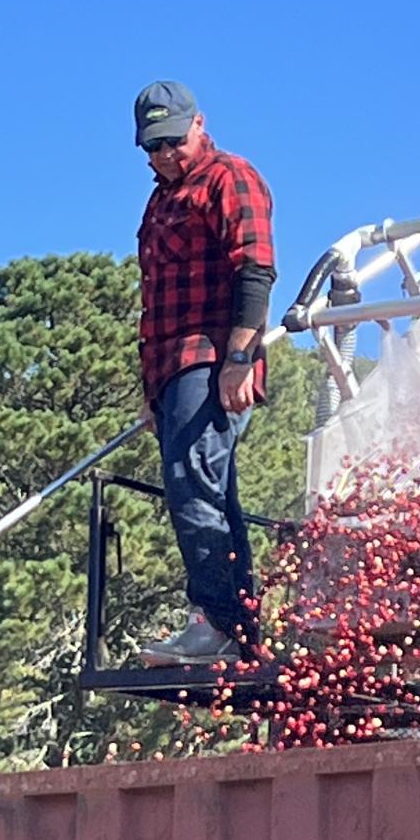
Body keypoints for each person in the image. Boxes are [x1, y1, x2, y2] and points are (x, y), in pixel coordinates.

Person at [131, 81, 277, 666]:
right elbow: (154, 300)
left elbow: (255, 271)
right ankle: (238, 630)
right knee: (206, 489)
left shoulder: (228, 177)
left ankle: (217, 622)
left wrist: (239, 358)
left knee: (192, 483)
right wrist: (152, 393)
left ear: (199, 124)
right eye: (151, 147)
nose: (165, 155)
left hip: (210, 357)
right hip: (170, 368)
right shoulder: (160, 200)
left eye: (172, 141)